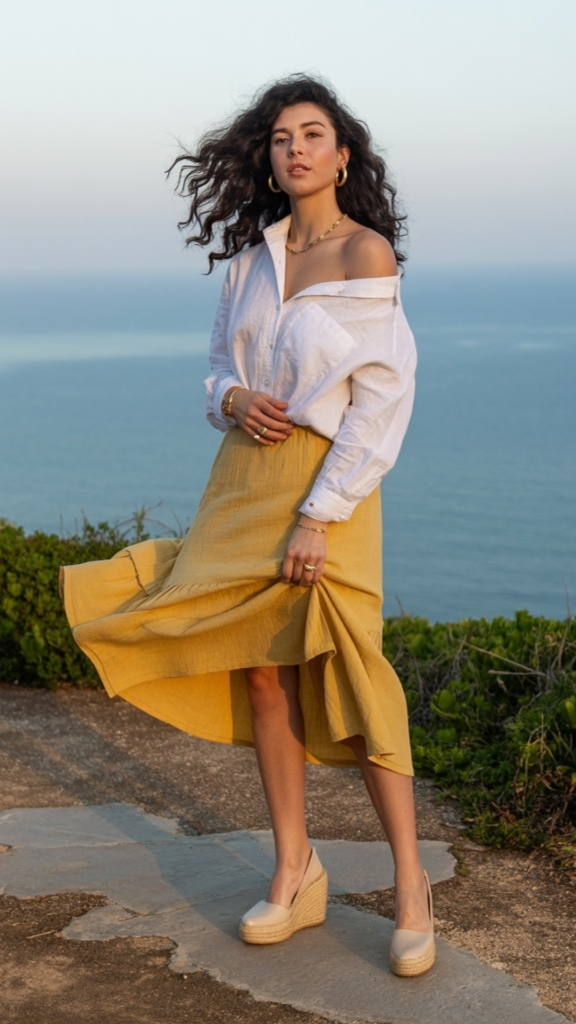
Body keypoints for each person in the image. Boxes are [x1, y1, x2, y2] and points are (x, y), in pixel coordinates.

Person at [60, 73, 434, 976]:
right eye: (280, 138)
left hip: (325, 490)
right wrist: (230, 397)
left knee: (353, 676)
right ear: (268, 160)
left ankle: (411, 885)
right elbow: (215, 374)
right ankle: (294, 869)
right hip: (240, 481)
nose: (295, 149)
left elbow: (381, 402)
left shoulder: (367, 254)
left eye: (313, 135)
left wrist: (318, 514)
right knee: (264, 675)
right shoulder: (248, 262)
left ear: (343, 156)